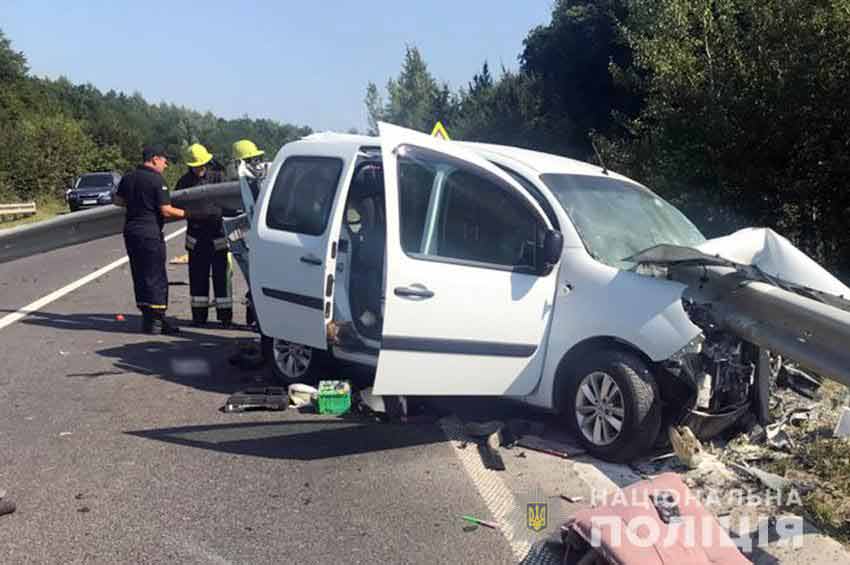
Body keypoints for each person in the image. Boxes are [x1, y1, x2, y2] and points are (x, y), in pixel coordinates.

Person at [113, 145, 190, 335]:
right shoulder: (157, 180)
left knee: (139, 274)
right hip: (150, 233)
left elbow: (118, 201)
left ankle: (148, 317)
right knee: (155, 275)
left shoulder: (128, 177)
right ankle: (157, 320)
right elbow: (166, 210)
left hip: (131, 232)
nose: (166, 164)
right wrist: (191, 214)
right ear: (155, 159)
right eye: (164, 160)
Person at [175, 143, 233, 328]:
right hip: (196, 235)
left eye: (201, 165)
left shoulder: (218, 178)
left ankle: (225, 317)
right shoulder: (184, 182)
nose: (199, 168)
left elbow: (229, 203)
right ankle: (199, 316)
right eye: (195, 166)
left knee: (221, 277)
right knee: (198, 277)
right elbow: (176, 204)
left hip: (217, 234)